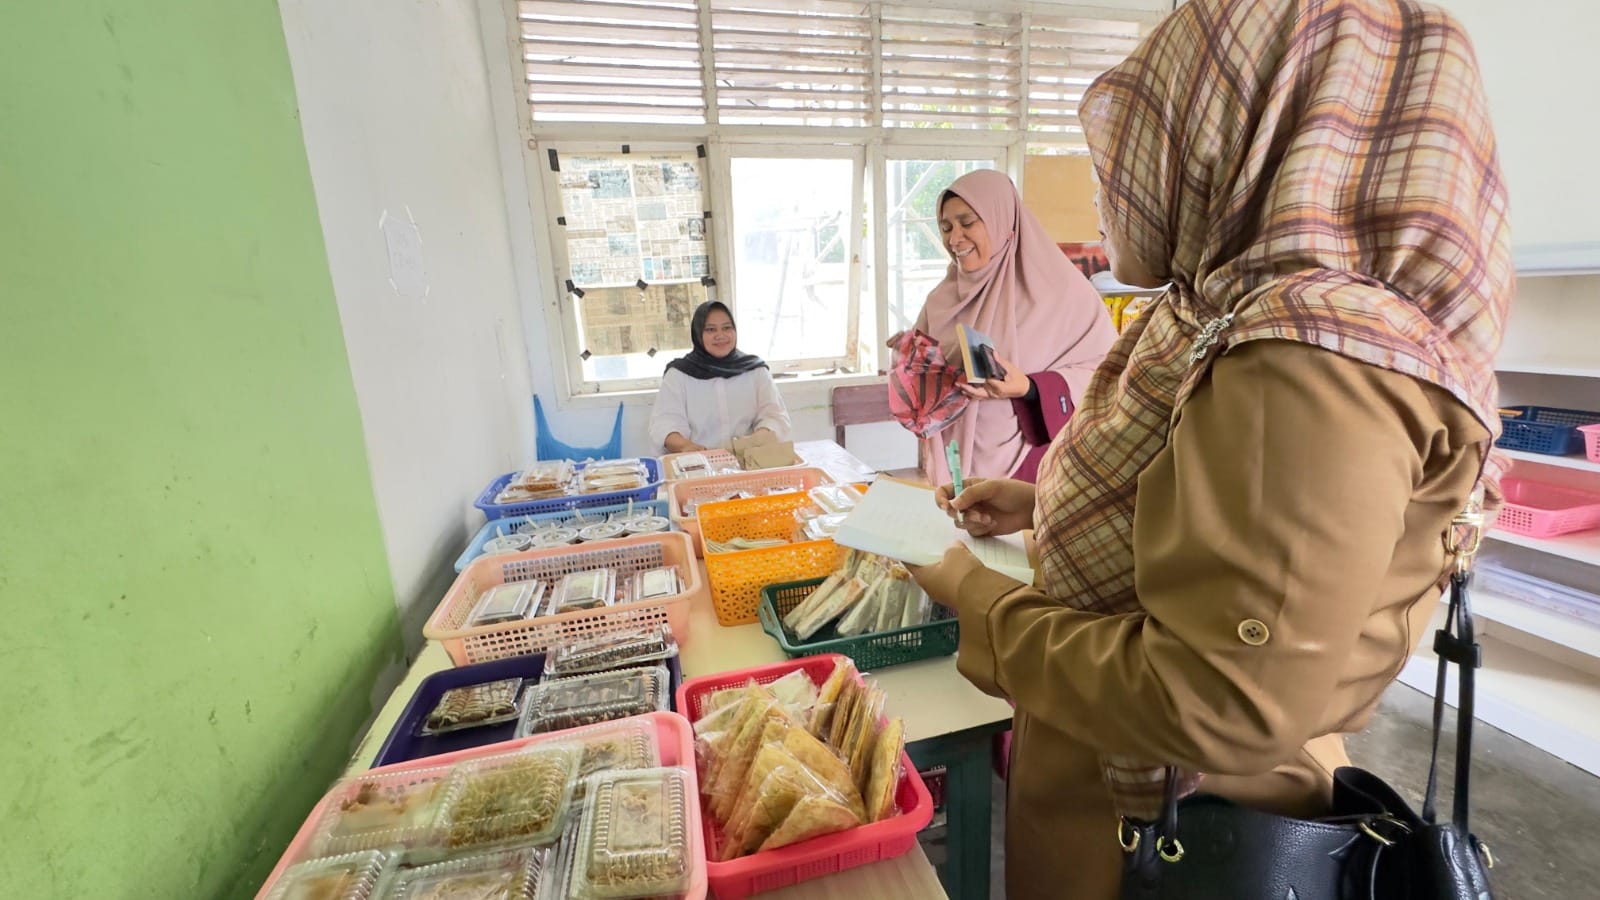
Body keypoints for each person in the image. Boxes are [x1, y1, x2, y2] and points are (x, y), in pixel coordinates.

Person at [906, 1, 1512, 897]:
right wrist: (1045, 506)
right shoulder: (1226, 300)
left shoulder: (1314, 359)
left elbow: (1216, 701)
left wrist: (977, 598)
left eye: (1151, 136)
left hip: (1170, 820)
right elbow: (1213, 505)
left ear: (1242, 134)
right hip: (1111, 761)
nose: (1119, 181)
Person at [908, 168, 1117, 484]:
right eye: (946, 227)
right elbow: (921, 382)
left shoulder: (1063, 293)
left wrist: (1029, 388)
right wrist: (910, 363)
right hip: (956, 462)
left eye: (967, 223)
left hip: (1035, 466)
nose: (954, 238)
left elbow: (1107, 376)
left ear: (1002, 220)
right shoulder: (941, 300)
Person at [648, 300, 791, 453]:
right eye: (710, 329)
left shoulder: (755, 370)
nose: (720, 335)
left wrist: (756, 439)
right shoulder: (678, 374)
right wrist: (685, 446)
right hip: (697, 462)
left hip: (748, 458)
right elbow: (665, 423)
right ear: (698, 334)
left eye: (726, 328)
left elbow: (775, 417)